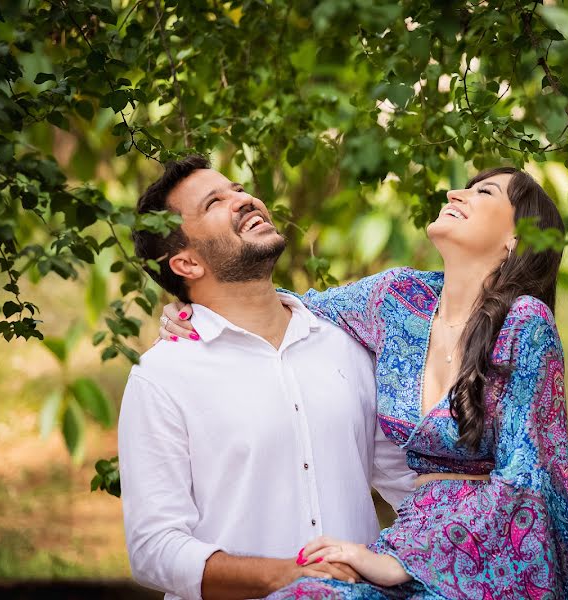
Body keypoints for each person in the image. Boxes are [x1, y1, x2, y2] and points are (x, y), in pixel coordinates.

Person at [161, 166, 568, 599]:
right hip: (412, 534)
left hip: (492, 551)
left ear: (515, 239)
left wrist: (400, 563)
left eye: (484, 193)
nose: (454, 195)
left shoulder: (525, 323)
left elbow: (524, 477)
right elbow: (293, 307)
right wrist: (194, 311)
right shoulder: (399, 300)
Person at [119, 155, 417, 600]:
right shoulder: (163, 375)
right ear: (186, 265)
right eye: (215, 202)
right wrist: (291, 576)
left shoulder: (346, 345)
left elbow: (409, 488)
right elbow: (154, 549)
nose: (242, 199)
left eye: (238, 188)